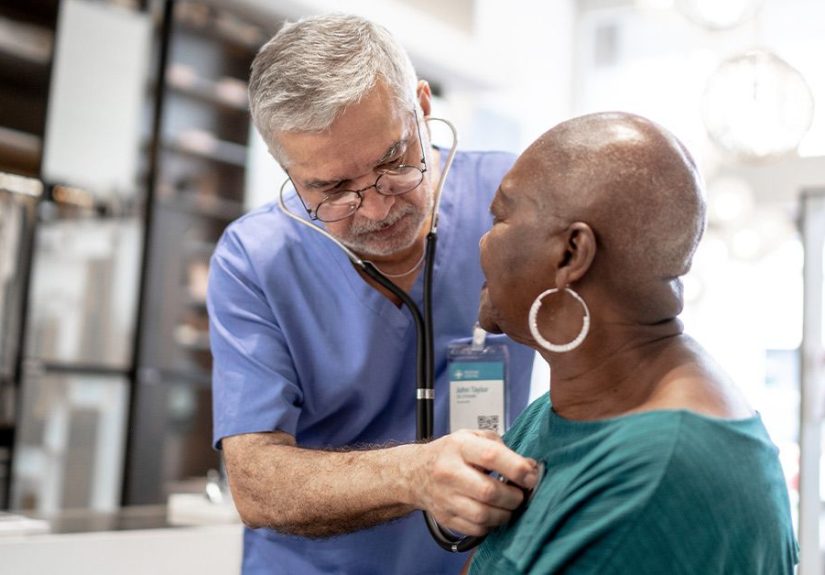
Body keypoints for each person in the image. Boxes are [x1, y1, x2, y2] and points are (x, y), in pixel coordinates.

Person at [206, 13, 538, 575]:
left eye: (393, 161)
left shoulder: (514, 204)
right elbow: (256, 484)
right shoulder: (254, 261)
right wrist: (413, 474)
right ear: (288, 169)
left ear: (423, 107)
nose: (379, 208)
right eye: (333, 188)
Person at [467, 112, 799, 574]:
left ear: (570, 254)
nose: (482, 242)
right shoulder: (573, 405)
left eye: (499, 216)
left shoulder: (656, 478)